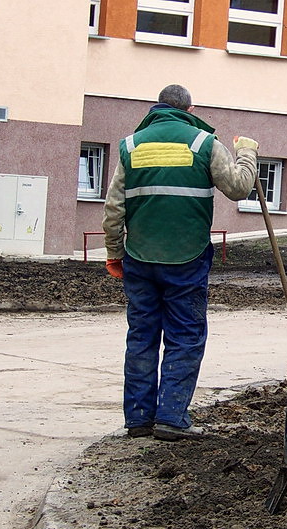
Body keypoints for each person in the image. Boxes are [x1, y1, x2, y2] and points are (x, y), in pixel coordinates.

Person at [102, 84, 259, 440]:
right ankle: (171, 418)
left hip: (139, 257)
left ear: (156, 108)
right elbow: (238, 188)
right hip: (186, 257)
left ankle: (139, 419)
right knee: (185, 336)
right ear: (190, 108)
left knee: (141, 336)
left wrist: (114, 252)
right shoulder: (203, 143)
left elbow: (113, 209)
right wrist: (247, 153)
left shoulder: (130, 145)